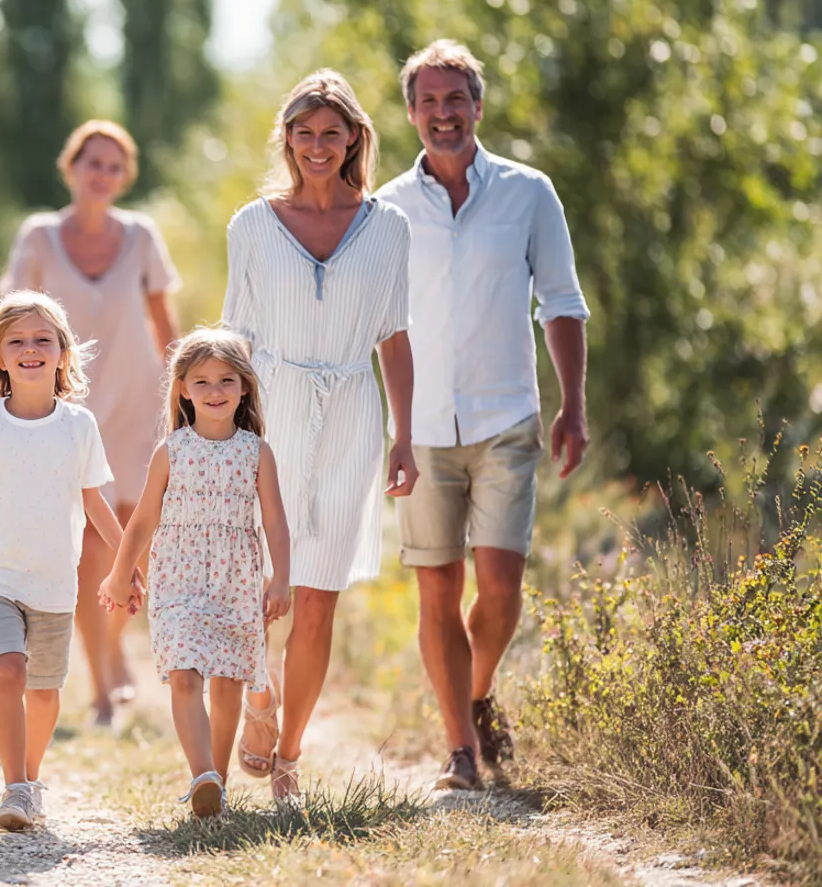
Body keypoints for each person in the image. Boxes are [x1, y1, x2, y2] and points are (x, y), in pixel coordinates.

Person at [375, 40, 590, 790]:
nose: (443, 114)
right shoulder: (388, 208)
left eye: (454, 99)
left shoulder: (529, 193)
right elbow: (380, 322)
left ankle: (477, 688)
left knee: (499, 585)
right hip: (423, 427)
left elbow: (560, 302)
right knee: (437, 587)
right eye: (428, 102)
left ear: (478, 106)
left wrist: (574, 407)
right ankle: (461, 748)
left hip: (507, 418)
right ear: (410, 114)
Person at [222, 71, 418, 803]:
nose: (316, 146)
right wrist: (216, 432)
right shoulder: (251, 223)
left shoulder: (388, 227)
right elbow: (233, 336)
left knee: (318, 596)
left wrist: (405, 434)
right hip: (269, 416)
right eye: (303, 133)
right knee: (254, 582)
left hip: (353, 417)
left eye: (330, 133)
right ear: (287, 139)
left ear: (354, 140)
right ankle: (258, 698)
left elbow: (394, 335)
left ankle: (291, 758)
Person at [0, 120, 182, 725]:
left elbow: (164, 325)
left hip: (136, 406)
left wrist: (183, 399)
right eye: (90, 162)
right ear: (70, 167)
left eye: (112, 165)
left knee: (129, 537)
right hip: (66, 411)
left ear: (122, 177)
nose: (100, 174)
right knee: (82, 549)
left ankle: (114, 650)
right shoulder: (40, 238)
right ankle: (102, 681)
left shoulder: (143, 237)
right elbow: (11, 319)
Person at [0, 291, 132, 832]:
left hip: (56, 581)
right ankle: (14, 787)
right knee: (8, 670)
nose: (31, 349)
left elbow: (95, 500)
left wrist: (123, 564)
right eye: (17, 342)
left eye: (42, 340)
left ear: (62, 353)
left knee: (45, 693)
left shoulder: (79, 426)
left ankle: (28, 780)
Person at [99, 328, 292, 818]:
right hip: (178, 577)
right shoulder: (171, 450)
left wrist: (281, 578)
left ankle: (217, 787)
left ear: (244, 387)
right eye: (201, 381)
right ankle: (202, 773)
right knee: (184, 673)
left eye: (226, 380)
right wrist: (121, 573)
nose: (214, 391)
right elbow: (143, 517)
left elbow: (274, 520)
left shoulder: (256, 452)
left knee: (228, 684)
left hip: (235, 579)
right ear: (182, 388)